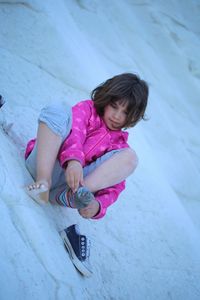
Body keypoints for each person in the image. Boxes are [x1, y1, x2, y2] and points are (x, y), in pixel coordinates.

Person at [24, 72, 149, 276]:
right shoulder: (87, 110)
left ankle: (76, 193)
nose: (117, 116)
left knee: (130, 158)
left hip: (66, 191)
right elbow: (76, 132)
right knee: (59, 108)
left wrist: (98, 206)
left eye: (125, 112)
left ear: (133, 116)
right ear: (106, 98)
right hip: (44, 165)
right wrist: (74, 160)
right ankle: (42, 184)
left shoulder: (119, 146)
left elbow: (116, 185)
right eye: (115, 106)